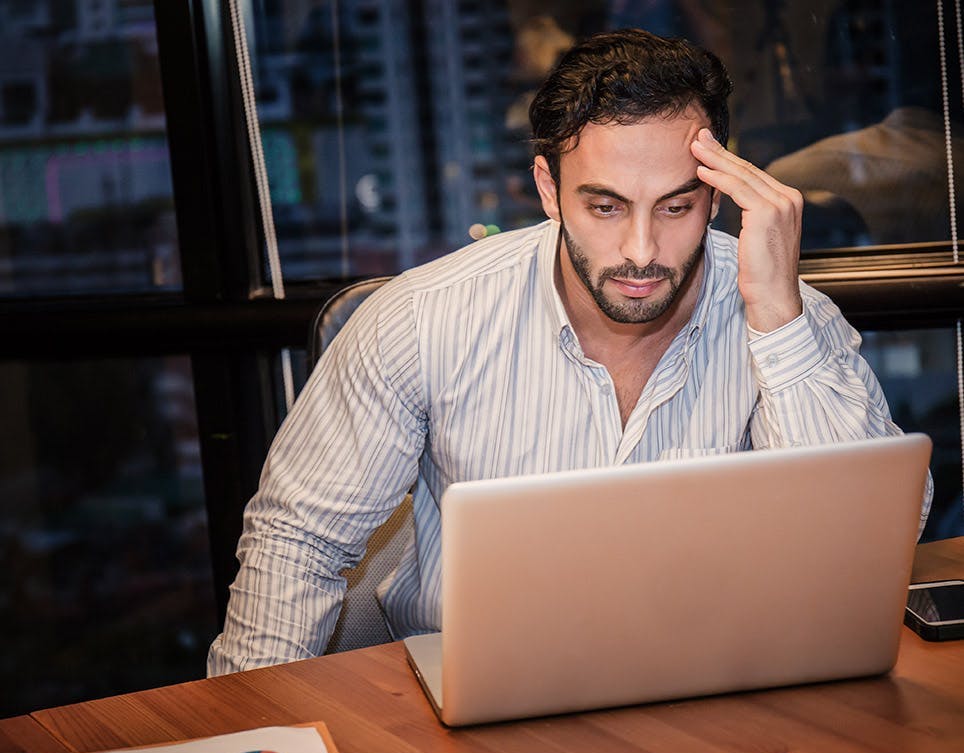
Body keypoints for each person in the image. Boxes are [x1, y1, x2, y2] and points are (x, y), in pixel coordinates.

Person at [208, 28, 929, 675]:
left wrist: (778, 321)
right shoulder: (418, 322)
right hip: (477, 704)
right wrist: (247, 738)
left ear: (717, 194)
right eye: (606, 206)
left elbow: (855, 562)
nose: (642, 253)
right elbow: (295, 542)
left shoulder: (792, 318)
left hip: (721, 691)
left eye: (676, 206)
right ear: (549, 189)